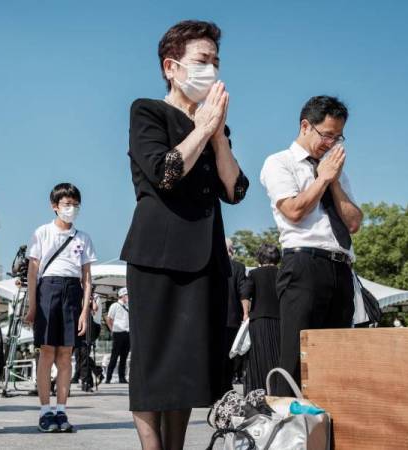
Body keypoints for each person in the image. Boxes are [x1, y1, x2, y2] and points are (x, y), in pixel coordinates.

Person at [120, 20, 249, 449]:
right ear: (171, 67)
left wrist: (217, 135)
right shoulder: (147, 111)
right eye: (202, 60)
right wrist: (201, 128)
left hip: (205, 256)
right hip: (158, 253)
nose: (211, 69)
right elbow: (165, 172)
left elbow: (235, 190)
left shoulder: (215, 127)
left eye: (215, 61)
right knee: (155, 367)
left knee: (187, 369)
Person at [260, 96, 363, 395]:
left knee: (336, 360)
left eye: (338, 136)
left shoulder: (337, 172)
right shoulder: (280, 162)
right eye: (326, 134)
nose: (331, 143)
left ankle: (326, 432)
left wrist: (333, 181)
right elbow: (292, 211)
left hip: (341, 266)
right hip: (304, 264)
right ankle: (287, 434)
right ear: (306, 126)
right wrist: (321, 179)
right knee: (295, 357)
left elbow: (354, 222)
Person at [25, 183, 97, 433]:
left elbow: (87, 277)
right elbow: (33, 272)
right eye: (67, 205)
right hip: (47, 289)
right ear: (54, 206)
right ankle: (45, 411)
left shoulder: (83, 237)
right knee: (47, 352)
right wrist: (32, 306)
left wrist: (85, 311)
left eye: (75, 205)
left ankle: (61, 410)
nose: (72, 209)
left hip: (72, 291)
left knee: (66, 354)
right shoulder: (42, 232)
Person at [241, 244, 281, 393]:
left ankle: (259, 392)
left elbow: (245, 294)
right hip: (280, 320)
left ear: (260, 257)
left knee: (258, 358)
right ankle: (278, 390)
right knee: (278, 356)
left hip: (259, 321)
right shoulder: (282, 272)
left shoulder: (254, 274)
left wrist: (245, 313)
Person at [224, 238, 247, 390]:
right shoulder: (238, 267)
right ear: (231, 251)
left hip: (211, 319)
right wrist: (245, 313)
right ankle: (228, 383)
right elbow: (243, 292)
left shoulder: (211, 267)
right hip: (232, 317)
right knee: (232, 353)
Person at [105, 287, 131, 384]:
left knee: (124, 357)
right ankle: (108, 378)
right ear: (122, 296)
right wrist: (112, 330)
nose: (128, 297)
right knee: (114, 356)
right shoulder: (114, 305)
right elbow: (109, 319)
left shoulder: (128, 306)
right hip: (118, 333)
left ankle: (122, 377)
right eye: (127, 295)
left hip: (127, 333)